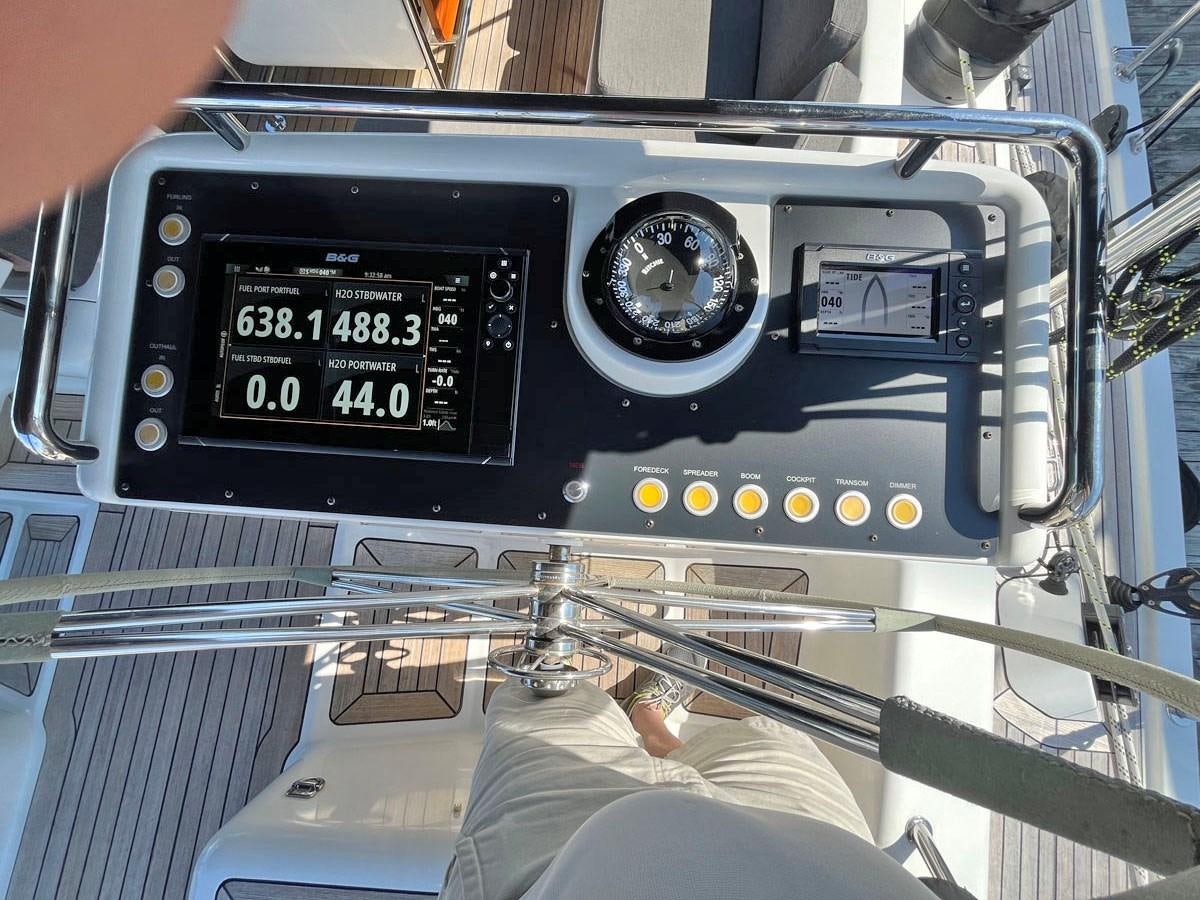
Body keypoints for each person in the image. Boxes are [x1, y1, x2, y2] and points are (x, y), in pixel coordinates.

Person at [440, 651, 942, 900]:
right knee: (762, 741)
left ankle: (557, 661)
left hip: (555, 872)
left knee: (543, 706)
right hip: (818, 854)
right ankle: (649, 723)